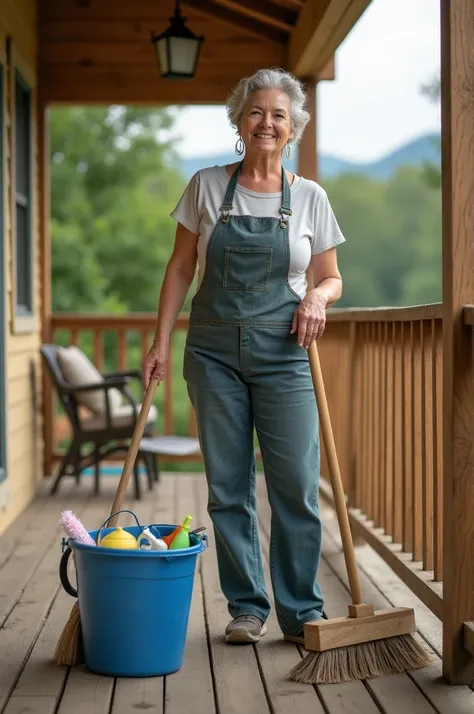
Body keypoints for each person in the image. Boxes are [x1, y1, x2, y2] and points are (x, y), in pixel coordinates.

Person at [142, 68, 345, 645]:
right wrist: (161, 342)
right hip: (212, 354)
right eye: (257, 111)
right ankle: (247, 607)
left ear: (292, 128)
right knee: (228, 486)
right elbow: (181, 267)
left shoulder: (309, 197)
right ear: (239, 119)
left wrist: (315, 297)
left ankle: (301, 609)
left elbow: (332, 278)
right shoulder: (206, 185)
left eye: (279, 114)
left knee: (296, 486)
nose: (267, 122)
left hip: (286, 355)